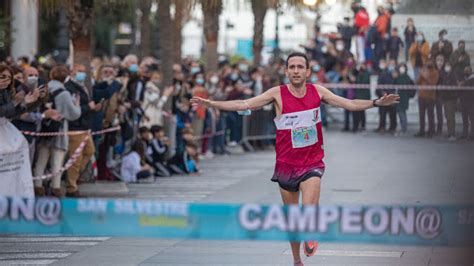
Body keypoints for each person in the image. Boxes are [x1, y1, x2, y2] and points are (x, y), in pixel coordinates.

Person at [191, 52, 399, 265]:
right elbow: (244, 104)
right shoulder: (277, 94)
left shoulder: (317, 91)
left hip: (312, 162)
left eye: (300, 67)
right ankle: (297, 259)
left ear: (308, 71)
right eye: (292, 67)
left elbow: (349, 103)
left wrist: (376, 102)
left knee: (309, 206)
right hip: (286, 165)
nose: (296, 70)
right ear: (287, 71)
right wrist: (212, 104)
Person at [415, 60, 439, 138]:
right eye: (427, 62)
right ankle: (422, 130)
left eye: (430, 62)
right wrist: (421, 75)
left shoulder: (435, 72)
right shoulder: (423, 71)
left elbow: (433, 83)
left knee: (430, 114)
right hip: (421, 96)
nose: (428, 63)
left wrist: (425, 76)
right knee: (421, 114)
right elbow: (417, 82)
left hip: (430, 96)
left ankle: (431, 131)